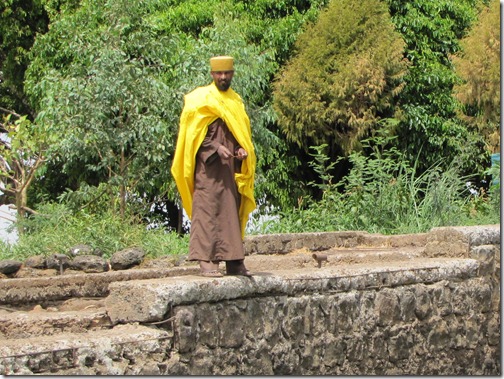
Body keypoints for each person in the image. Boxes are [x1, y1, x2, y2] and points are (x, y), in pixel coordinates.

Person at [171, 56, 256, 277]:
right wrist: (216, 147)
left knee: (230, 212)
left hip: (228, 171)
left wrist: (240, 150)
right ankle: (205, 261)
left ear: (232, 74)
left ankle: (234, 261)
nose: (223, 77)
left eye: (227, 73)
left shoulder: (235, 101)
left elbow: (239, 134)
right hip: (207, 171)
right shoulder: (200, 99)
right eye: (219, 73)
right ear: (212, 74)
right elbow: (193, 138)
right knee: (206, 212)